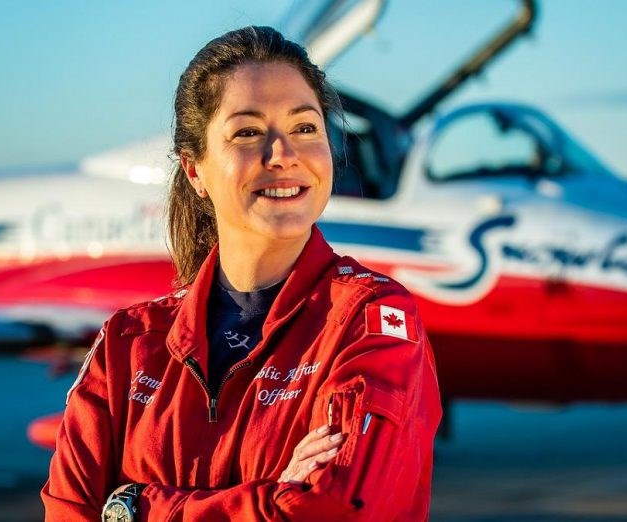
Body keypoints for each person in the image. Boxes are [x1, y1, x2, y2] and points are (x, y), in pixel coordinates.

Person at [42, 26, 441, 521]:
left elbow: (334, 511)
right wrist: (270, 497)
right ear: (195, 171)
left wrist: (133, 505)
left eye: (305, 128)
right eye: (248, 132)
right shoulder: (129, 343)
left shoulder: (369, 320)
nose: (283, 154)